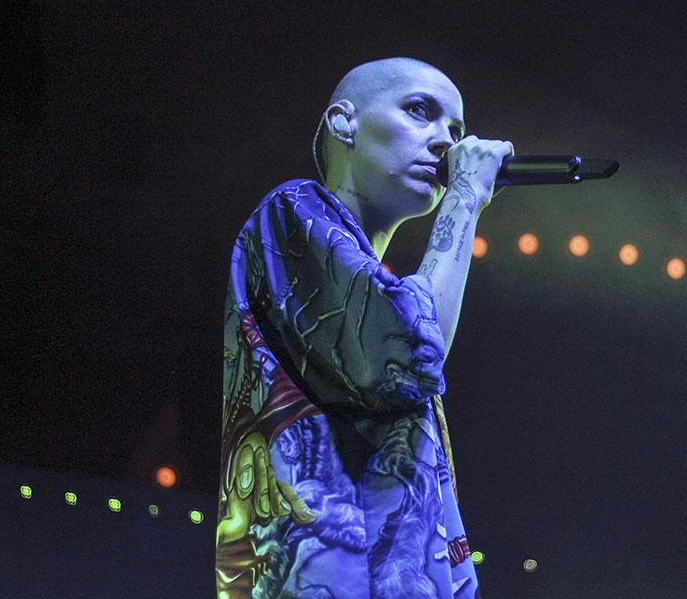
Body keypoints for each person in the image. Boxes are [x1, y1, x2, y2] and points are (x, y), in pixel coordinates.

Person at [218, 57, 511, 598]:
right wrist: (466, 198)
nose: (446, 144)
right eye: (420, 111)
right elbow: (408, 360)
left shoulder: (388, 292)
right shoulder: (291, 211)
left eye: (456, 130)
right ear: (342, 122)